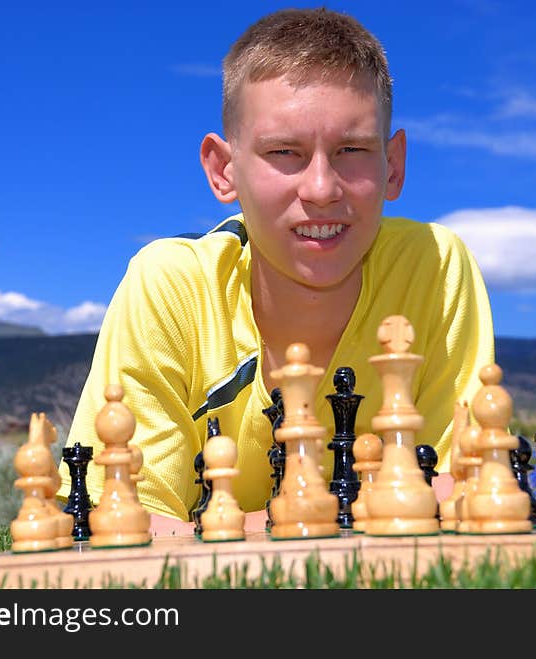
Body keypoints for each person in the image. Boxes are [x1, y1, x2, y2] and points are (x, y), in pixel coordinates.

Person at [56, 7, 495, 535]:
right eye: (284, 152)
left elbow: (468, 490)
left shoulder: (437, 267)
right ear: (224, 170)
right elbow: (120, 523)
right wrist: (312, 518)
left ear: (393, 166)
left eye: (352, 150)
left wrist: (270, 523)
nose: (321, 188)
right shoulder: (170, 286)